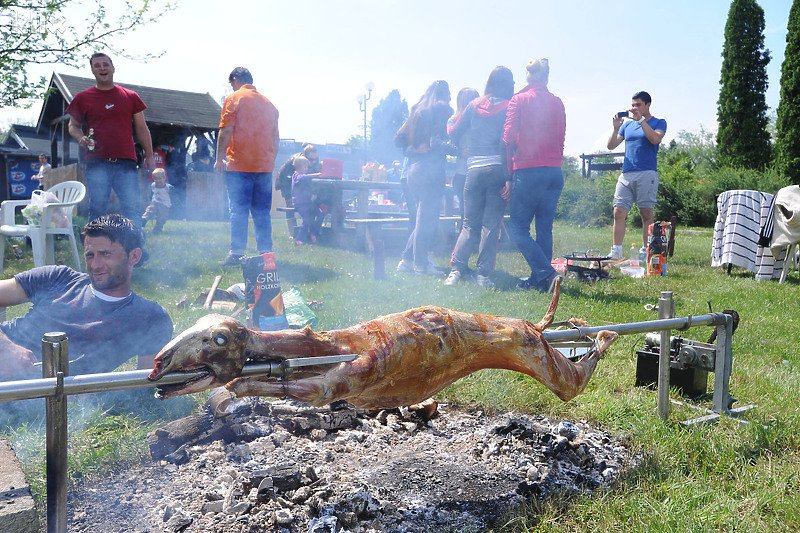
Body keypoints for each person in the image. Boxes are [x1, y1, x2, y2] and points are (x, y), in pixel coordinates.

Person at [0, 214, 173, 380]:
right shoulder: (58, 278)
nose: (95, 265)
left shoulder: (149, 318)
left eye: (105, 254)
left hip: (31, 395)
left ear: (134, 256)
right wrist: (6, 348)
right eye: (90, 255)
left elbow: (143, 385)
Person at [66, 53, 154, 235]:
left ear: (113, 68)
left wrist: (150, 155)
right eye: (97, 65)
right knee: (98, 209)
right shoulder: (83, 98)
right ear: (92, 70)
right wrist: (81, 137)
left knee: (132, 209)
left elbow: (142, 129)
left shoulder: (130, 96)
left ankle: (137, 251)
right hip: (97, 162)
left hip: (126, 162)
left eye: (105, 64)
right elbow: (73, 126)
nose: (102, 68)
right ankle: (94, 253)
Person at [445, 67, 515, 289]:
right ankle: (483, 275)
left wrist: (465, 146)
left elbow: (454, 130)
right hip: (496, 170)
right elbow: (510, 142)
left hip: (473, 170)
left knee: (468, 224)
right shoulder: (508, 107)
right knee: (490, 225)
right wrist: (509, 177)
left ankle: (456, 271)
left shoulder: (473, 105)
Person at [502, 58, 566, 293]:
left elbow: (507, 137)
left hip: (528, 171)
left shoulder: (518, 100)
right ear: (546, 76)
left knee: (517, 227)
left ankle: (546, 273)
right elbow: (561, 137)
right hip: (554, 171)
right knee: (544, 228)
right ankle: (542, 279)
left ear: (528, 76)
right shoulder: (558, 102)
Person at [215, 67, 280, 266]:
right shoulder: (270, 104)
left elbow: (226, 132)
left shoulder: (235, 98)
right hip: (264, 167)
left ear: (235, 80)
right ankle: (266, 255)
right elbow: (275, 139)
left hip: (239, 166)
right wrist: (270, 161)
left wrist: (219, 158)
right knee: (261, 212)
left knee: (239, 210)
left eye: (231, 83)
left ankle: (236, 254)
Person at [394, 80, 454, 275]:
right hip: (429, 169)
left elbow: (398, 139)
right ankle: (421, 265)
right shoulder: (441, 108)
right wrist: (449, 148)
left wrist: (413, 148)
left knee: (422, 218)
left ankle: (406, 260)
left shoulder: (417, 110)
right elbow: (438, 141)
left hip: (413, 170)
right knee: (426, 220)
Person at [606, 91, 667, 259]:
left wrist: (641, 120)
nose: (634, 108)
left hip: (647, 173)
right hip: (626, 174)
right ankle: (616, 251)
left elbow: (655, 139)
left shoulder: (659, 122)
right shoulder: (627, 125)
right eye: (633, 105)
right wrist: (616, 128)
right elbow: (611, 146)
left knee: (646, 214)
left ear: (647, 105)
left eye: (638, 105)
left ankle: (646, 251)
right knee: (618, 212)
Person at [275, 144, 321, 239]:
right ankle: (292, 232)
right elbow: (286, 177)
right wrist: (291, 194)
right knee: (290, 205)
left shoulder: (314, 162)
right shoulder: (296, 161)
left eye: (315, 159)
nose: (313, 162)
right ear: (305, 155)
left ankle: (309, 231)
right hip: (285, 182)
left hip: (300, 185)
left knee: (310, 206)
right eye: (311, 159)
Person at [448, 87, 480, 217]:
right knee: (467, 212)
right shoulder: (453, 121)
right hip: (464, 171)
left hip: (473, 171)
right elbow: (449, 144)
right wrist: (460, 152)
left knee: (468, 212)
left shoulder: (481, 120)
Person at [291, 156, 322, 244]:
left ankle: (313, 233)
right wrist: (315, 175)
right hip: (300, 204)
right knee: (307, 219)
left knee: (320, 214)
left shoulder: (305, 176)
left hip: (308, 203)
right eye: (305, 167)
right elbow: (302, 178)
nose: (307, 169)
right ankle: (299, 239)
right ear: (299, 167)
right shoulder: (296, 175)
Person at [141, 168, 173, 233]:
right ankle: (144, 219)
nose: (158, 180)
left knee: (162, 218)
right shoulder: (153, 185)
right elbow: (150, 194)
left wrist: (172, 204)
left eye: (160, 178)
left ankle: (157, 229)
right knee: (150, 210)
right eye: (156, 179)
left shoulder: (168, 187)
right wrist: (149, 200)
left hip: (165, 205)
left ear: (164, 178)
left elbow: (173, 196)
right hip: (155, 203)